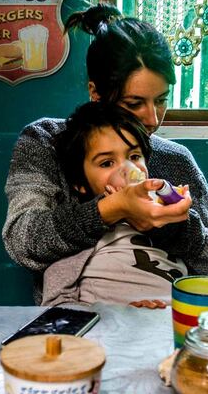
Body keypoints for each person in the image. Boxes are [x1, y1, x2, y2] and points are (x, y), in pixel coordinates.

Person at [3, 3, 208, 304]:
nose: (152, 119)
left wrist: (172, 227)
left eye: (161, 99)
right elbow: (23, 242)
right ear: (95, 93)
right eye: (133, 103)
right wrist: (112, 208)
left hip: (162, 319)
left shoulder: (176, 160)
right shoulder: (48, 141)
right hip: (77, 327)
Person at [43, 101, 187, 307]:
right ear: (79, 183)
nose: (130, 170)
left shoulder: (166, 225)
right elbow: (57, 305)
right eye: (107, 163)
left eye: (135, 156)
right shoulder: (78, 236)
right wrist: (118, 317)